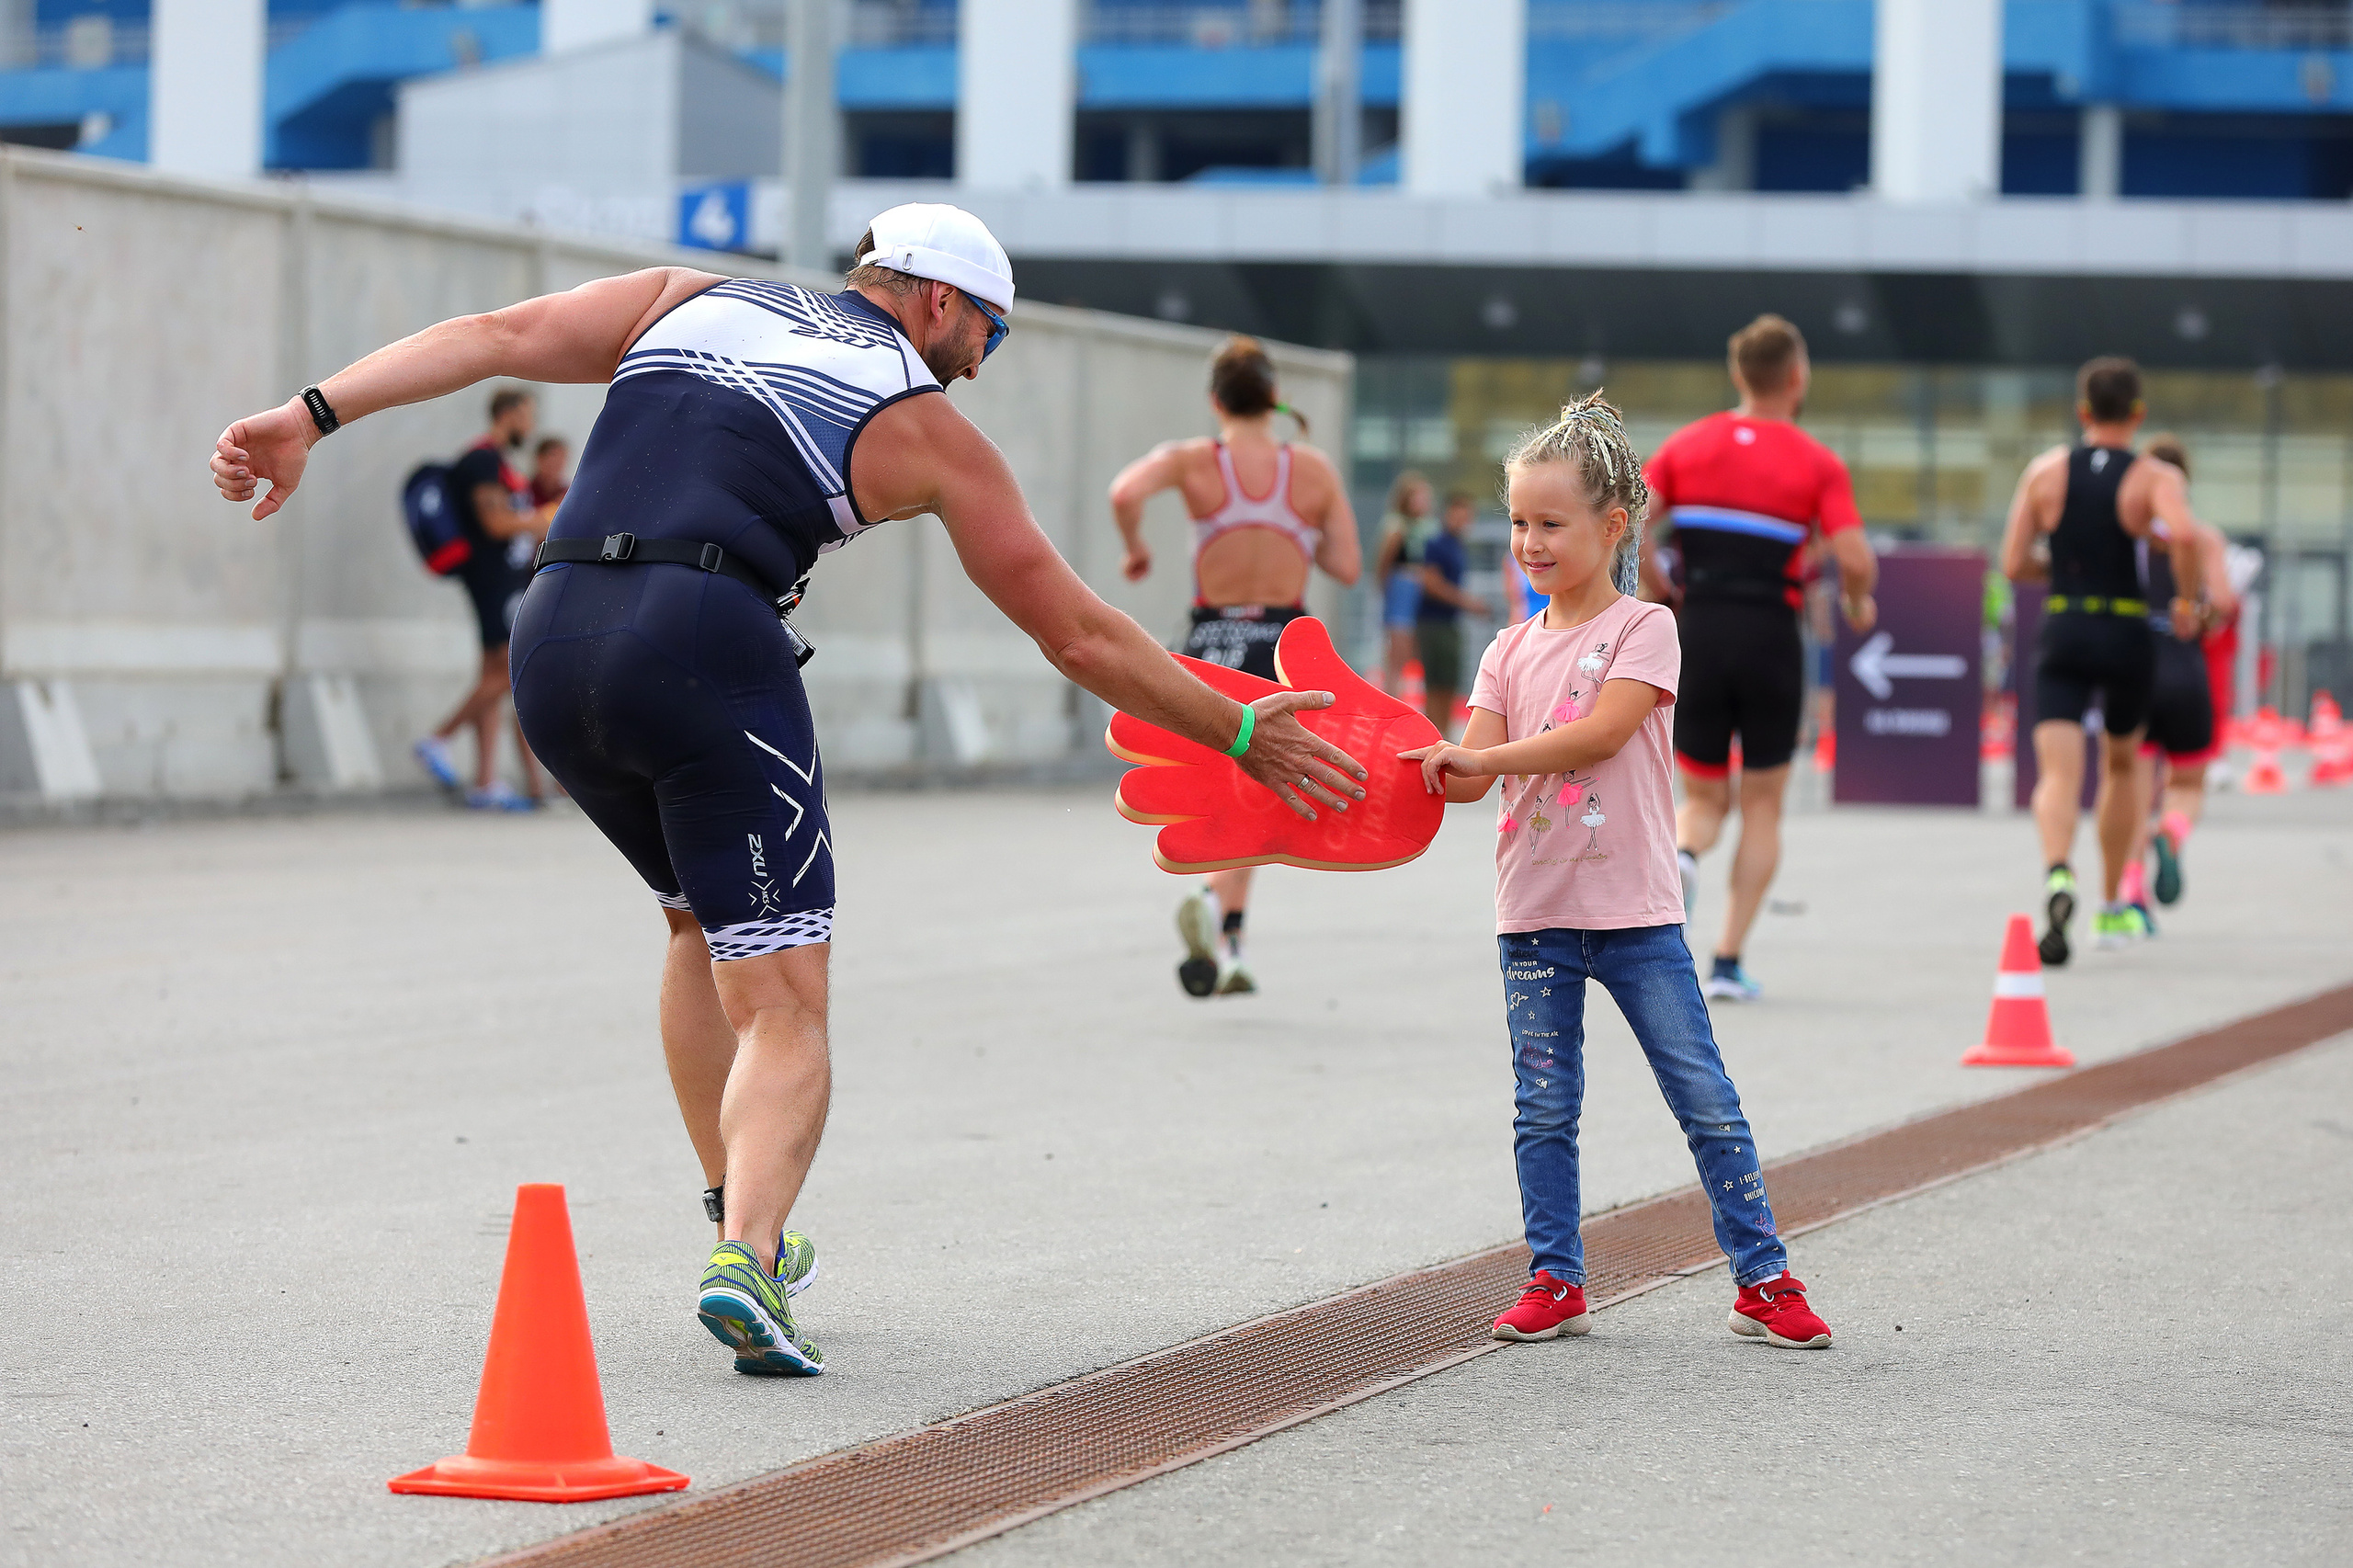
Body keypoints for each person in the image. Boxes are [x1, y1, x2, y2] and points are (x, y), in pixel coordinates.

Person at [212, 203, 1369, 1377]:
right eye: (988, 336)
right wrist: (1232, 728)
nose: (976, 366)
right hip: (704, 643)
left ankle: (733, 1216)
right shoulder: (921, 423)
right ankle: (750, 1256)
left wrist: (307, 414)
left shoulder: (684, 296)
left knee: (693, 919)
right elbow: (1072, 631)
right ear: (936, 300)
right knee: (785, 996)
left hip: (554, 640)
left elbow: (496, 332)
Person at [1398, 393, 1833, 1350]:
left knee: (1704, 1097)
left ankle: (1763, 1279)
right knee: (1543, 1105)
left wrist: (1482, 760)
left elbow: (1593, 735)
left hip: (1636, 916)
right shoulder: (1506, 648)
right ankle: (1554, 1277)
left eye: (1550, 523)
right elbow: (1466, 776)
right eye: (1518, 522)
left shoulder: (1648, 628)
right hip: (1535, 916)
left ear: (1611, 524)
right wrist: (1408, 761)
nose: (1530, 541)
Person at [1109, 336, 1362, 998]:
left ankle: (1217, 917)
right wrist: (1295, 531)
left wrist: (1136, 549)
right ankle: (1227, 932)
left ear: (1216, 399)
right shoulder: (1310, 470)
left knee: (1218, 784)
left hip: (1210, 642)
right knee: (1263, 790)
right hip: (1280, 643)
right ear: (1273, 399)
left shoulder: (1195, 461)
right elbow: (1348, 565)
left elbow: (1124, 492)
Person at [1641, 314, 1877, 1003]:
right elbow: (1856, 557)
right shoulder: (1816, 461)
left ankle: (1684, 855)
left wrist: (1662, 586)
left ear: (1738, 375)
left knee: (1705, 795)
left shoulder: (1688, 445)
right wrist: (1858, 601)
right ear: (1797, 378)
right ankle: (1727, 959)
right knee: (1765, 803)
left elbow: (1628, 523)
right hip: (1773, 631)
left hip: (1700, 628)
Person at [1998, 358, 2203, 965]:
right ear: (2137, 414)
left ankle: (2059, 871)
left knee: (2058, 773)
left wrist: (2056, 570)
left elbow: (2013, 563)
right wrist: (2188, 603)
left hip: (2065, 624)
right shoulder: (2152, 476)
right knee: (2120, 768)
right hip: (2125, 629)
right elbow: (2187, 535)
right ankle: (2113, 902)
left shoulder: (2045, 472)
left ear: (2083, 412)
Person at [410, 388, 558, 811]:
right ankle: (438, 739)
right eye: (526, 417)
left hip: (500, 580)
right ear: (509, 415)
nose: (529, 427)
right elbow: (494, 524)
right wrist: (545, 519)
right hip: (493, 580)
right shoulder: (482, 460)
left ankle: (485, 781)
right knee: (508, 673)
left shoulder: (496, 463)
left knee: (491, 672)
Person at [2121, 433, 2236, 921]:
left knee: (2129, 789)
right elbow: (2226, 604)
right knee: (2188, 783)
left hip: (2133, 666)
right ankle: (2171, 832)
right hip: (2185, 666)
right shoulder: (2203, 537)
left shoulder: (2127, 536)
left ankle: (2129, 895)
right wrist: (2199, 615)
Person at [1415, 492, 1489, 736]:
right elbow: (1430, 582)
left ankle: (1441, 737)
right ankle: (1434, 737)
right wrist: (1467, 602)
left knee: (1447, 686)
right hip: (1434, 623)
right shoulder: (1437, 543)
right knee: (1436, 686)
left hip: (1449, 622)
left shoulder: (1457, 545)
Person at [1371, 471, 1435, 696]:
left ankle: (1404, 696)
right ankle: (1392, 697)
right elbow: (1383, 565)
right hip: (1401, 595)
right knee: (1397, 651)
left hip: (1417, 598)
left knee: (1412, 652)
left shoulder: (1426, 528)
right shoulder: (1396, 526)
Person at [530, 434, 571, 510]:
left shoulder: (568, 493)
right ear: (539, 459)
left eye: (561, 459)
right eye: (552, 457)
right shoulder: (525, 490)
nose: (556, 463)